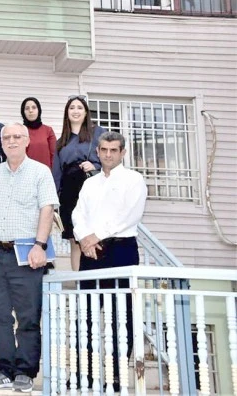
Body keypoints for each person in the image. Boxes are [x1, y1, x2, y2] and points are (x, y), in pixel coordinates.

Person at [0, 123, 59, 393]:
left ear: (27, 141)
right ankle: (5, 369)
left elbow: (47, 209)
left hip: (27, 253)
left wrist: (40, 245)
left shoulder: (40, 172)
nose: (11, 141)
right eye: (7, 137)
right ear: (1, 143)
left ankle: (25, 371)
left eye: (17, 137)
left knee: (28, 316)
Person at [72, 131, 147, 392]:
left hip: (121, 251)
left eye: (113, 150)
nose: (108, 154)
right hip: (91, 253)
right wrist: (85, 239)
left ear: (122, 152)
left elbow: (130, 215)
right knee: (86, 315)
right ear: (98, 151)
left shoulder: (133, 180)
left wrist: (96, 236)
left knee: (120, 316)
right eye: (103, 149)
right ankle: (84, 374)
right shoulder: (90, 183)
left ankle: (116, 376)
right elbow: (78, 214)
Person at [52, 95, 106, 271]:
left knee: (95, 236)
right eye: (72, 108)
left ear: (86, 112)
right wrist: (54, 200)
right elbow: (56, 173)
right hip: (69, 193)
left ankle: (98, 279)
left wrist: (96, 165)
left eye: (80, 107)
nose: (75, 111)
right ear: (66, 113)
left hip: (91, 186)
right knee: (75, 240)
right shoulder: (61, 142)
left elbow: (111, 156)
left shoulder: (98, 132)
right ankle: (78, 282)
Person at [20, 97, 56, 169]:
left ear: (39, 110)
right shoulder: (19, 131)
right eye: (27, 108)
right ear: (23, 112)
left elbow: (54, 156)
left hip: (46, 173)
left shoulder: (48, 130)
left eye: (34, 107)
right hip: (26, 173)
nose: (30, 111)